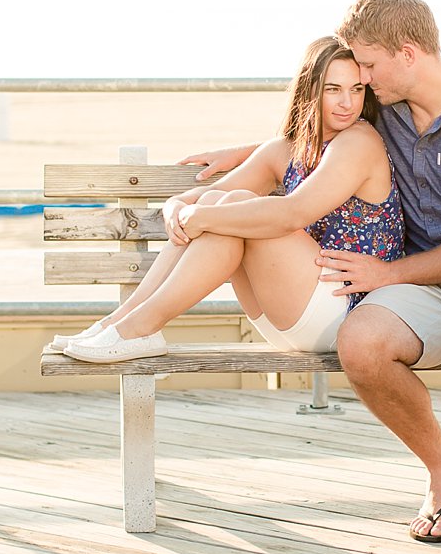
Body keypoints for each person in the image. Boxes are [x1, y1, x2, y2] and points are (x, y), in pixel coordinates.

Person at [180, 0, 441, 554]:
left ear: (408, 54)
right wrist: (249, 153)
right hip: (430, 287)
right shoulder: (385, 109)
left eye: (366, 63)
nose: (360, 77)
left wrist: (388, 273)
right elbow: (319, 132)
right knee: (360, 344)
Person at [52, 36, 403, 363]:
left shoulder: (359, 140)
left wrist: (201, 216)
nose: (347, 102)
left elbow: (292, 214)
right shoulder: (285, 150)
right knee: (227, 203)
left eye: (356, 89)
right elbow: (203, 197)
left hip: (346, 312)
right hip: (287, 314)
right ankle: (120, 323)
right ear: (310, 91)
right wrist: (177, 206)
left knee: (232, 205)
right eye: (333, 89)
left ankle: (138, 328)